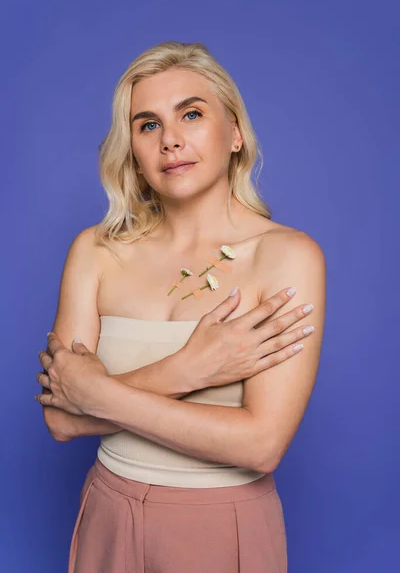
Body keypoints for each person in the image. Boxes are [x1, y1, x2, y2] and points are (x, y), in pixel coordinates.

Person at [35, 41, 326, 572]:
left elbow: (262, 445)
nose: (171, 140)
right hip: (107, 509)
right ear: (133, 151)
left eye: (191, 114)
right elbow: (59, 420)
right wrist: (184, 370)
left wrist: (94, 394)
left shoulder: (287, 256)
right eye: (147, 125)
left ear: (235, 133)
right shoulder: (95, 251)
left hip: (222, 521)